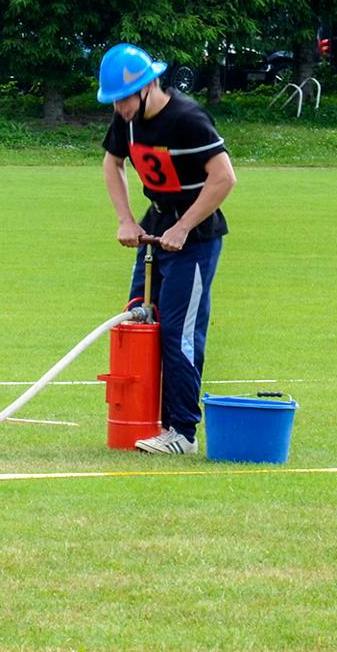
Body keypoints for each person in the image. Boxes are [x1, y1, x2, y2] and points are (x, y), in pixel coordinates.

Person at [97, 43, 236, 455]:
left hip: (195, 236)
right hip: (155, 228)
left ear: (148, 87)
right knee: (141, 321)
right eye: (115, 100)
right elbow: (112, 163)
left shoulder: (188, 119)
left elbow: (224, 178)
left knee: (180, 333)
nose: (119, 107)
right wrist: (126, 219)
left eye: (123, 98)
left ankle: (183, 432)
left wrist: (183, 226)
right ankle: (143, 419)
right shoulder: (128, 120)